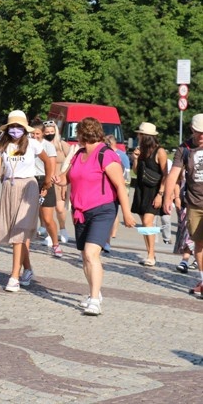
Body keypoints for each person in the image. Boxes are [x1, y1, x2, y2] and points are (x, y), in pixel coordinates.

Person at [53, 117, 134, 315]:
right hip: (80, 210)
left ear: (83, 133)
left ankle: (95, 300)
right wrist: (59, 180)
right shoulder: (79, 154)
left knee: (91, 253)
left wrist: (127, 213)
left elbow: (120, 187)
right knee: (85, 256)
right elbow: (68, 178)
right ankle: (93, 292)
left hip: (102, 210)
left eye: (78, 133)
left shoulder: (106, 155)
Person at [0, 110, 51, 292]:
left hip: (28, 186)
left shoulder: (33, 144)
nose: (15, 130)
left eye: (18, 127)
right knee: (16, 234)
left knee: (20, 231)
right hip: (9, 188)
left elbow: (48, 162)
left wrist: (47, 181)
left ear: (24, 128)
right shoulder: (2, 145)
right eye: (12, 126)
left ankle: (14, 276)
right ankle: (27, 268)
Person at [164, 114, 203, 296]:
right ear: (192, 130)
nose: (202, 136)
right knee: (198, 243)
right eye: (199, 132)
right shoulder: (184, 148)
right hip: (194, 203)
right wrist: (167, 198)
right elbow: (173, 175)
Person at [131, 122, 168, 267]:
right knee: (145, 224)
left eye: (139, 134)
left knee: (147, 222)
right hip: (141, 190)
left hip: (154, 191)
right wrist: (135, 158)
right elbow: (135, 172)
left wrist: (160, 194)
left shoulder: (160, 152)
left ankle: (151, 255)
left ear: (145, 136)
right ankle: (150, 253)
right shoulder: (140, 151)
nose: (137, 136)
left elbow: (166, 174)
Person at [31, 121, 62, 257]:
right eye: (32, 133)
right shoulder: (26, 144)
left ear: (42, 134)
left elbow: (52, 166)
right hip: (30, 179)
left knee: (47, 218)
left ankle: (55, 244)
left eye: (37, 133)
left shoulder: (48, 146)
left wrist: (47, 184)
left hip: (44, 179)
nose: (34, 136)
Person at [42, 120, 71, 243]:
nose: (50, 133)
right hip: (45, 179)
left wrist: (65, 179)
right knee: (46, 209)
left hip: (59, 180)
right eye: (47, 131)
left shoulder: (61, 144)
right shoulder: (41, 144)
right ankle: (49, 234)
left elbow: (70, 161)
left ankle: (63, 228)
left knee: (60, 208)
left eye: (52, 131)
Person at [104, 134, 130, 244]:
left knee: (113, 211)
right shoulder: (110, 154)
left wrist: (125, 186)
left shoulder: (121, 155)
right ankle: (110, 236)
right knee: (112, 210)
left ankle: (112, 234)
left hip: (118, 185)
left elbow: (127, 172)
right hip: (112, 186)